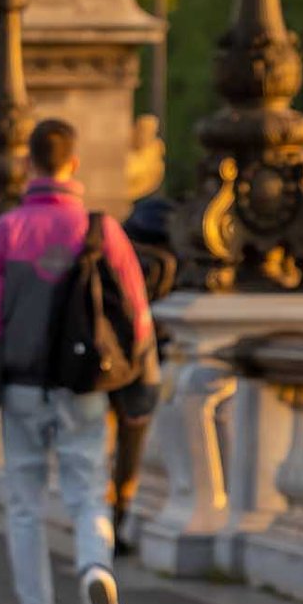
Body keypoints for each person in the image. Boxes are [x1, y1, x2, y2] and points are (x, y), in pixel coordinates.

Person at [0, 118, 157, 604]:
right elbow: (138, 319)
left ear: (29, 165)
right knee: (87, 490)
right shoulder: (103, 230)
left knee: (24, 505)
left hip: (22, 388)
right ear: (73, 164)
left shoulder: (4, 232)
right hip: (85, 388)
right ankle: (96, 570)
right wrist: (140, 393)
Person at [112, 194, 181, 555]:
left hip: (103, 360)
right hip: (145, 362)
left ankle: (98, 519)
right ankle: (121, 515)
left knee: (97, 445)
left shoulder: (112, 250)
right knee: (131, 446)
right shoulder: (170, 259)